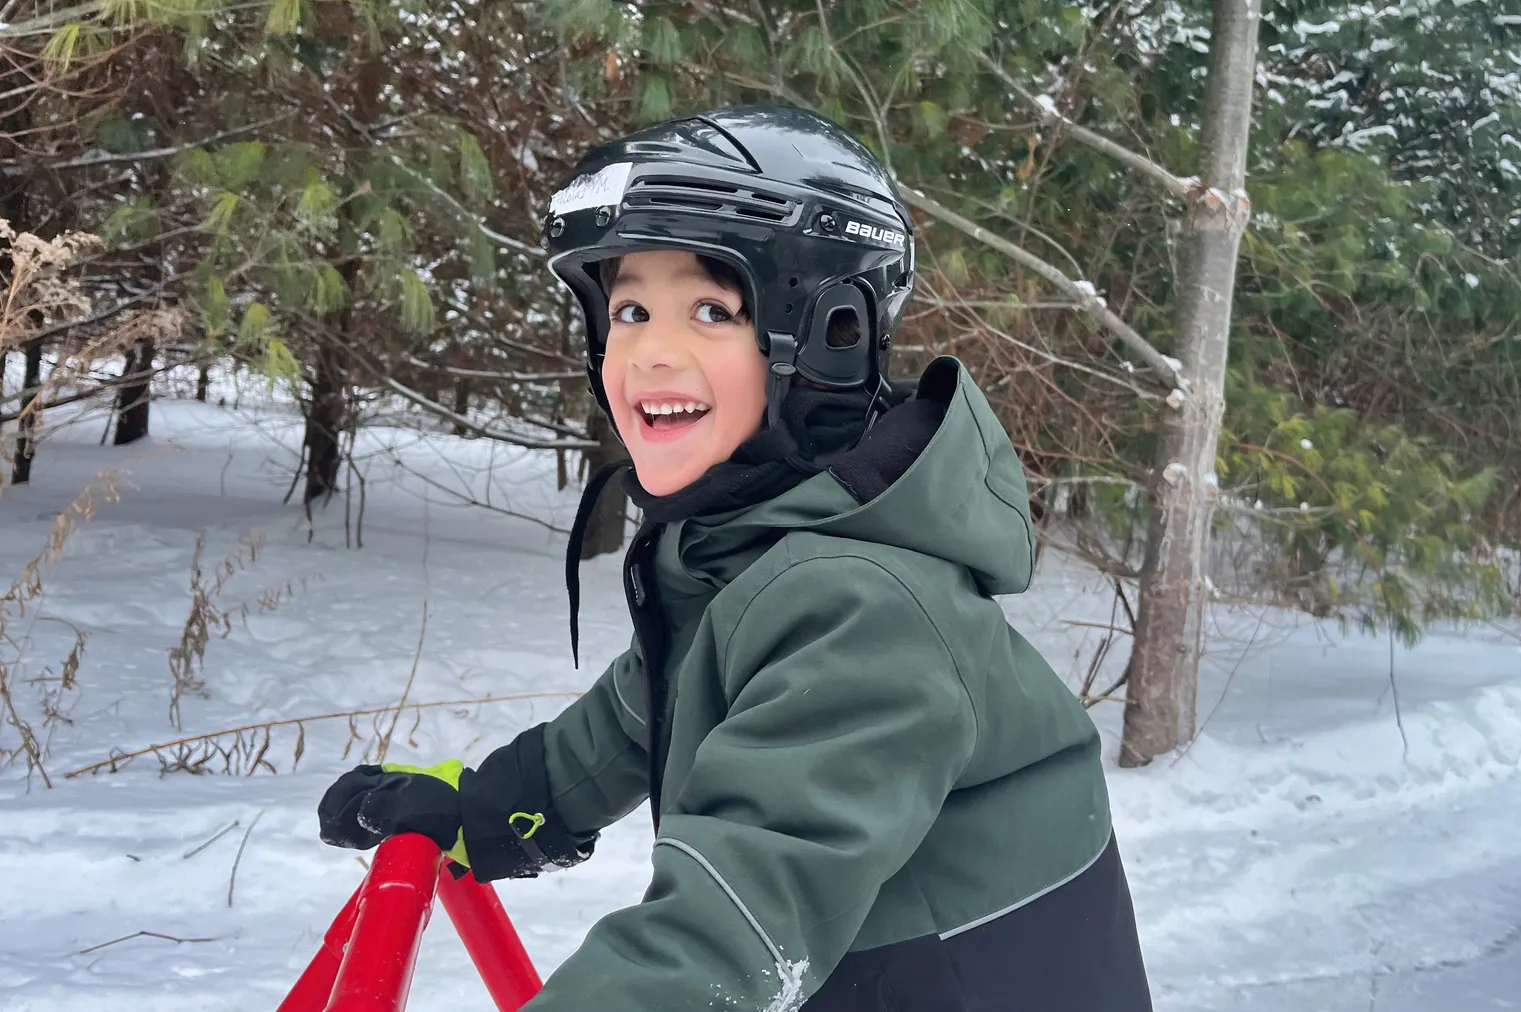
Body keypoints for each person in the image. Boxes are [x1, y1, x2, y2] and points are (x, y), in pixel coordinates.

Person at [316, 105, 1153, 1012]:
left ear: (831, 337)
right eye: (630, 309)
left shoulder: (865, 606)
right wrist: (487, 811)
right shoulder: (740, 544)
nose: (650, 353)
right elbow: (637, 719)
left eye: (712, 310)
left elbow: (723, 937)